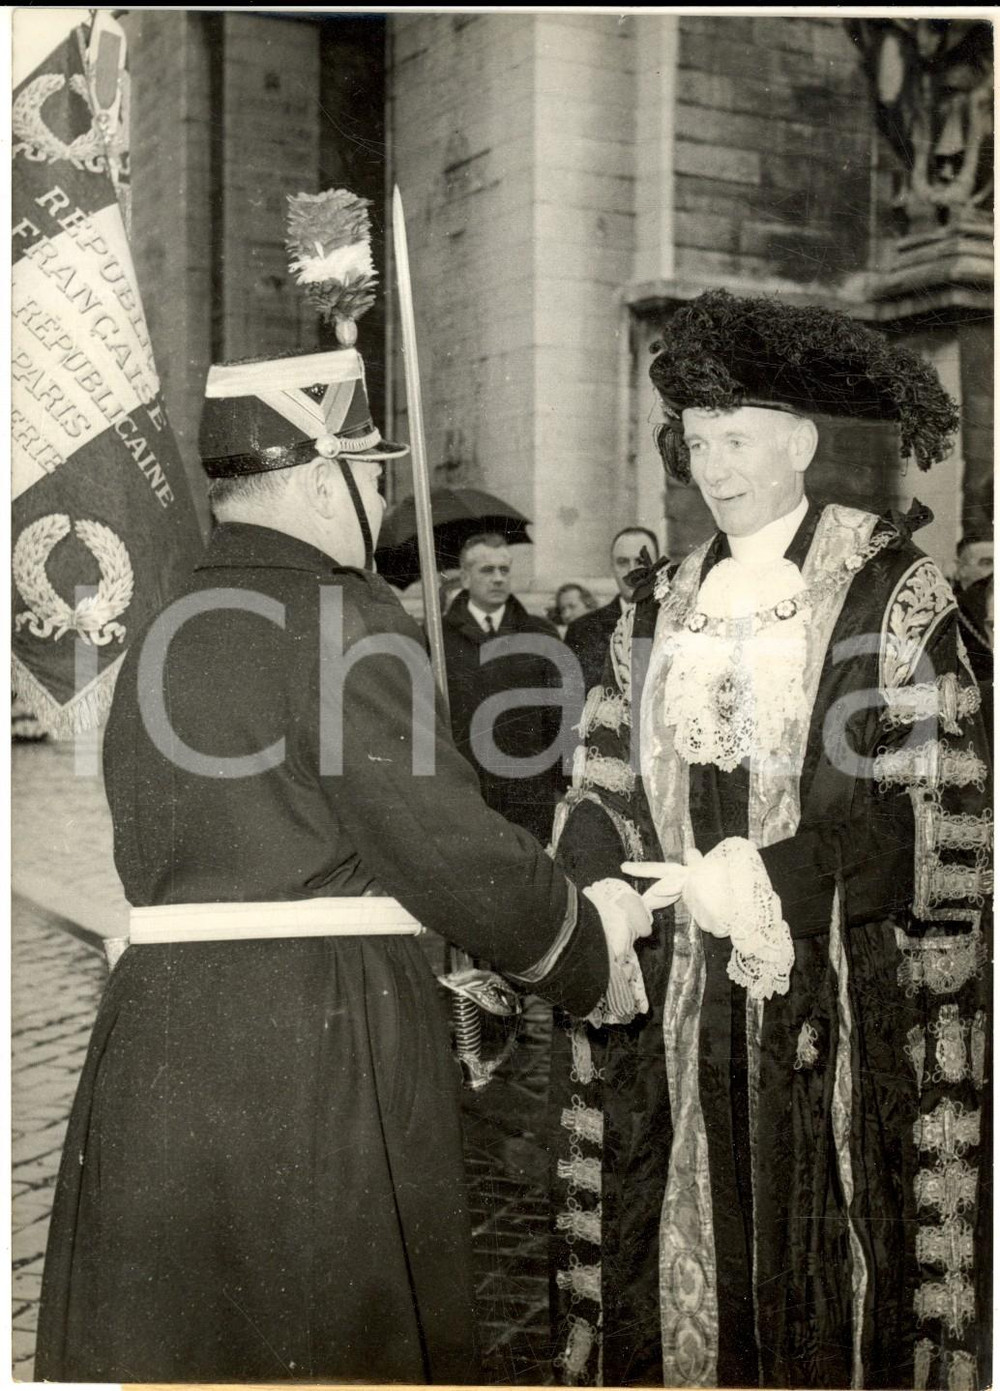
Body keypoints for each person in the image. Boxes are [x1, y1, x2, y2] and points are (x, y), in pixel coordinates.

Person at [34, 342, 655, 1384]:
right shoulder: (342, 618)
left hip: (154, 1034)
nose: (380, 494)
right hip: (313, 1039)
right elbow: (448, 849)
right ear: (326, 475)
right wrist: (589, 934)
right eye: (373, 472)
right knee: (323, 1332)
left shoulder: (162, 627)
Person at [548, 289, 991, 1389]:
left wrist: (768, 880)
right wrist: (597, 887)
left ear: (799, 441)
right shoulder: (649, 605)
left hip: (827, 1003)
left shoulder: (896, 593)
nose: (717, 465)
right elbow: (596, 781)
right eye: (698, 442)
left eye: (738, 437)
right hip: (670, 1008)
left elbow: (944, 822)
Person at [443, 532, 567, 843]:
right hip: (465, 790)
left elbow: (559, 716)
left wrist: (559, 784)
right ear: (465, 578)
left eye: (504, 570)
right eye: (487, 570)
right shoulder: (438, 638)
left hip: (528, 792)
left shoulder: (540, 633)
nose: (498, 579)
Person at [564, 526, 661, 695]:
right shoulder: (582, 630)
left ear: (657, 565)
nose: (632, 571)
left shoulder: (675, 622)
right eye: (622, 562)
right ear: (612, 567)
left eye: (640, 561)